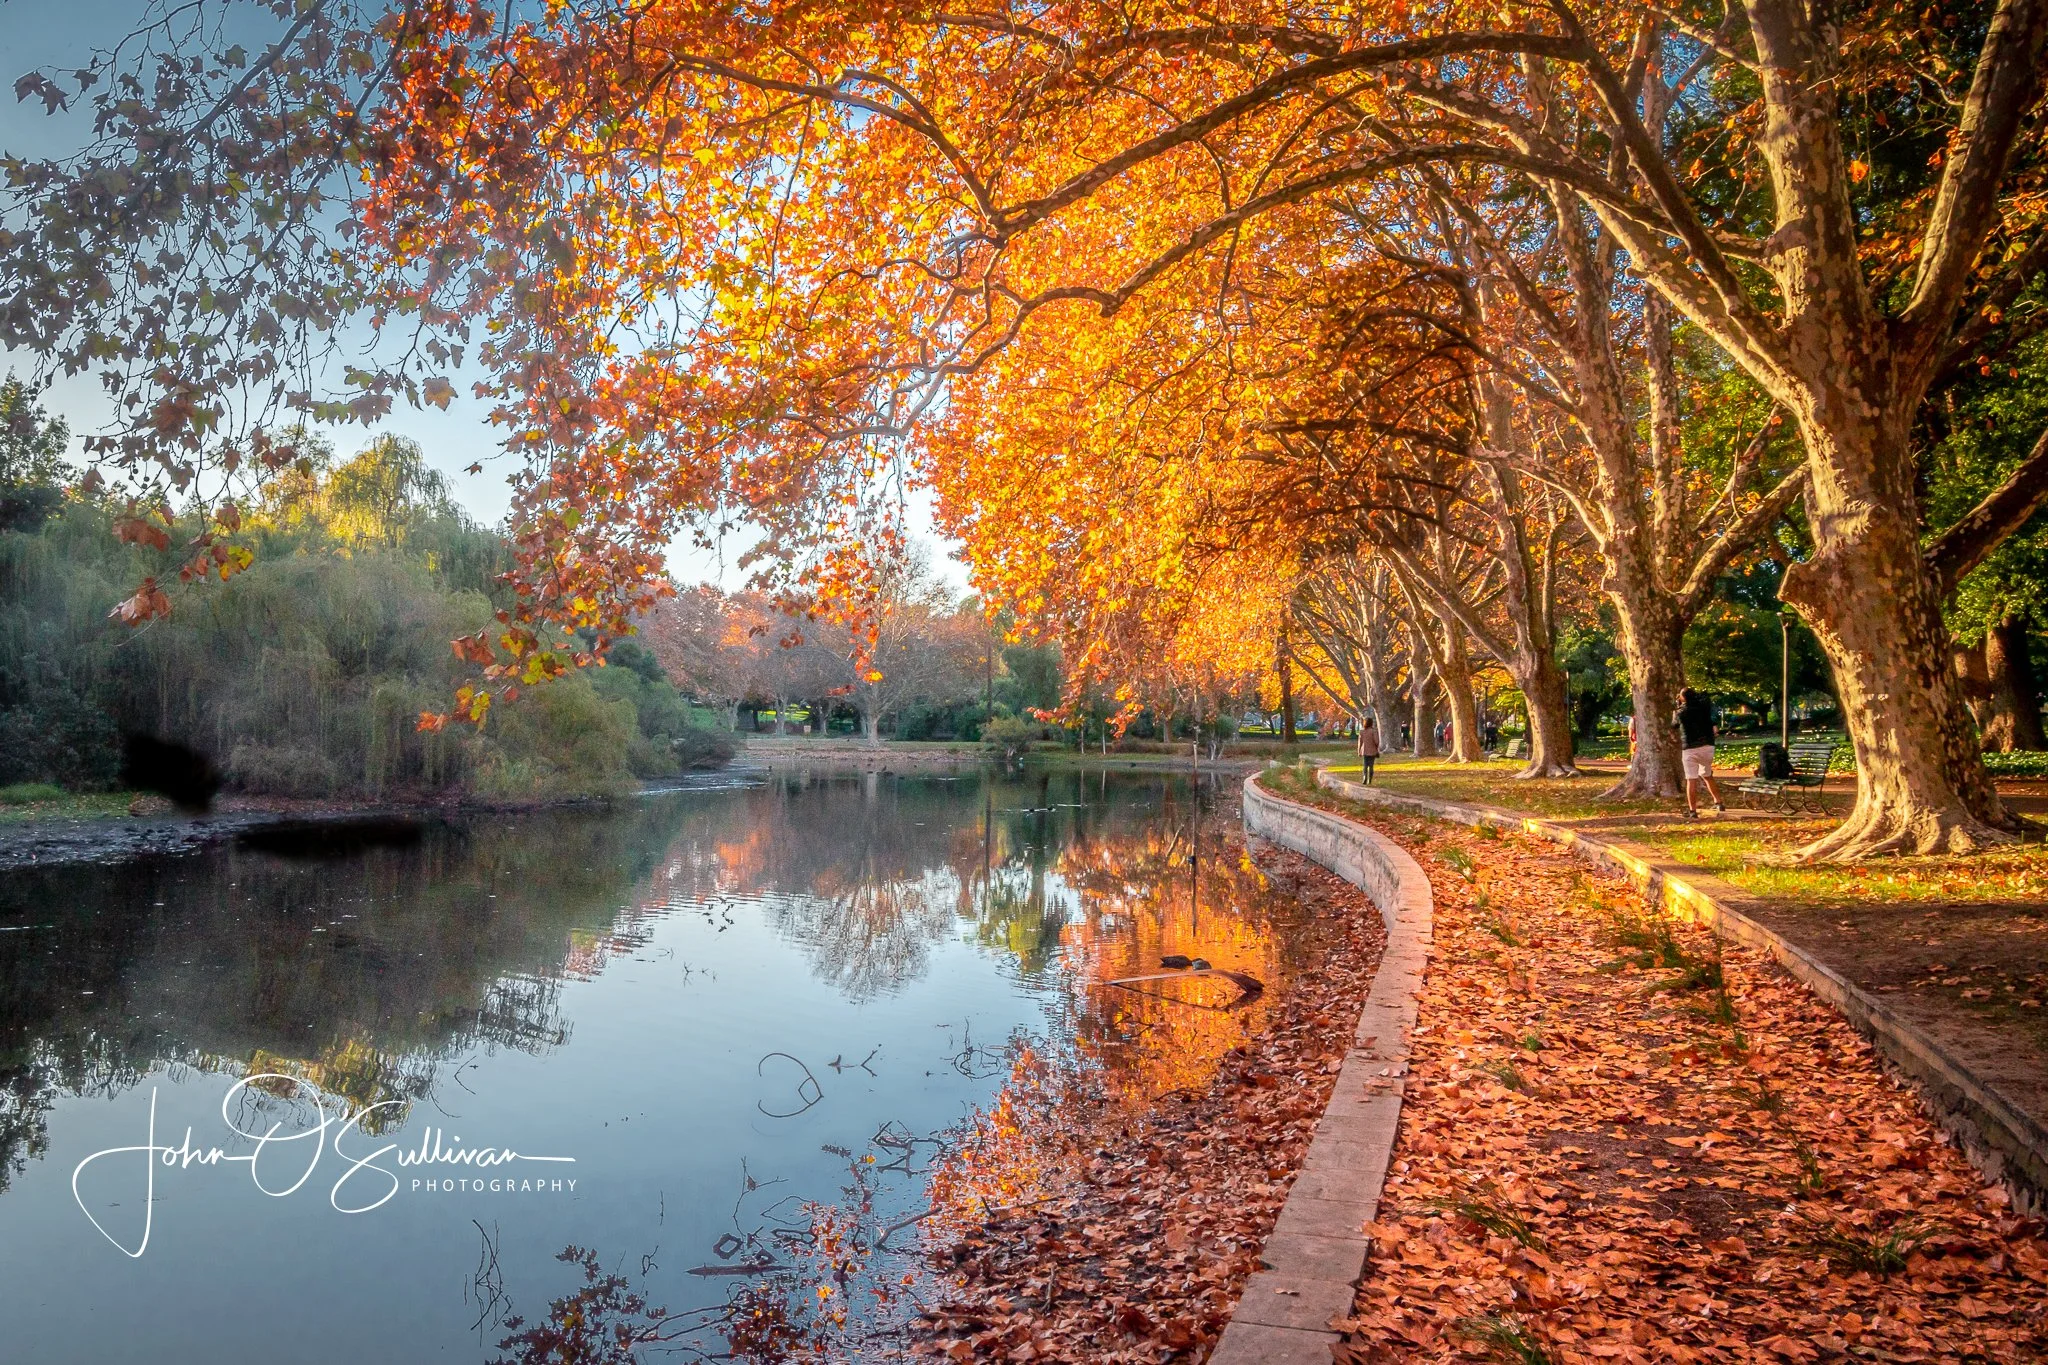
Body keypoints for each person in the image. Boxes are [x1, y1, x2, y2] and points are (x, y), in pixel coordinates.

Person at [1673, 686, 1725, 818]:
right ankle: (1718, 802)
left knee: (1691, 779)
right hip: (1707, 746)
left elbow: (1674, 725)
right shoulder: (1704, 708)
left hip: (1690, 748)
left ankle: (1692, 810)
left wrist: (1676, 708)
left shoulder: (1681, 712)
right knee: (1707, 774)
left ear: (1683, 698)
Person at [1356, 714, 1381, 784]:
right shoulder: (1373, 731)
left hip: (1364, 750)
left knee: (1365, 765)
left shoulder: (1362, 731)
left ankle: (1364, 777)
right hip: (1372, 750)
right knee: (1371, 765)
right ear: (1371, 723)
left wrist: (1359, 751)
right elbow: (1376, 741)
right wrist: (1376, 747)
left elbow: (1360, 742)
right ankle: (1369, 780)